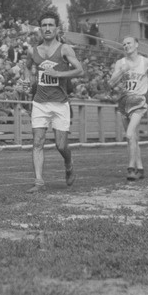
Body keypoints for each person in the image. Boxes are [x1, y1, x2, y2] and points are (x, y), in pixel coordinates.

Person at [26, 11, 84, 193]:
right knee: (37, 142)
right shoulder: (34, 51)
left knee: (61, 145)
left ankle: (68, 164)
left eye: (51, 25)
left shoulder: (65, 49)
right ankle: (39, 181)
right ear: (40, 29)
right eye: (44, 25)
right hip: (40, 103)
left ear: (57, 28)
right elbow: (28, 67)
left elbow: (80, 70)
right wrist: (29, 80)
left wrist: (59, 74)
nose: (48, 28)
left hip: (60, 103)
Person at [107, 36, 148, 181]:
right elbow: (111, 83)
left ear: (136, 45)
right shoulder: (120, 63)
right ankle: (141, 168)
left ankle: (131, 168)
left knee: (129, 134)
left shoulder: (146, 61)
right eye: (124, 44)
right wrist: (121, 71)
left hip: (139, 101)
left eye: (129, 43)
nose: (126, 46)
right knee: (132, 138)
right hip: (124, 101)